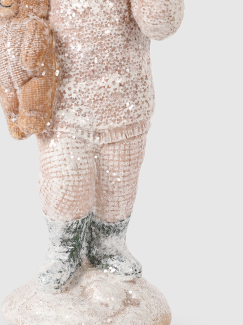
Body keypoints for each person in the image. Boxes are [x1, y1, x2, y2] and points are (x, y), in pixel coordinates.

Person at [36, 0, 185, 291]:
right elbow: (18, 13)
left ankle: (108, 245)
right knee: (64, 181)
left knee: (118, 185)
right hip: (62, 107)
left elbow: (161, 24)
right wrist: (2, 46)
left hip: (125, 102)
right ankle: (63, 249)